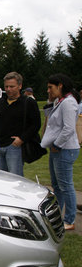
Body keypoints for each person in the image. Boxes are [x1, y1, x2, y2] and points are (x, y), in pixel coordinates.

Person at [40, 73, 80, 230]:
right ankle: (56, 215)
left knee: (65, 185)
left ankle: (69, 220)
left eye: (51, 87)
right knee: (57, 185)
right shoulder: (60, 102)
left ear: (60, 86)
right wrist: (50, 103)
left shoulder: (69, 103)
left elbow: (69, 128)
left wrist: (57, 144)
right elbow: (52, 120)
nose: (48, 91)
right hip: (57, 148)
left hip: (65, 149)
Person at [0, 71, 41, 176]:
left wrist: (22, 139)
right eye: (6, 87)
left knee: (15, 179)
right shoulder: (1, 103)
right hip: (0, 147)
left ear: (20, 86)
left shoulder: (28, 103)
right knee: (0, 178)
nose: (8, 89)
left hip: (15, 147)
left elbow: (35, 124)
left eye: (12, 86)